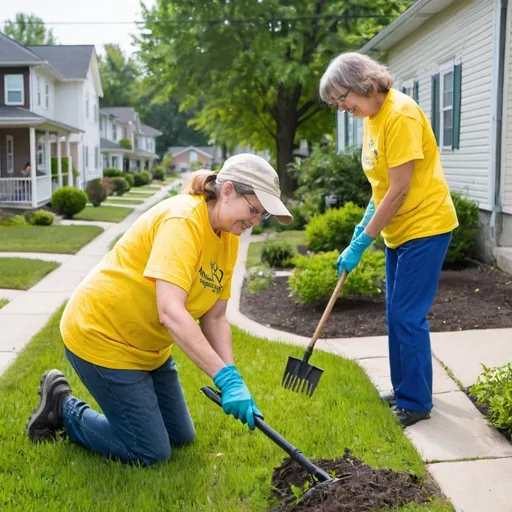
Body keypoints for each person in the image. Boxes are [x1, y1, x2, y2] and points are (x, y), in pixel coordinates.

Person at [26, 154, 293, 465]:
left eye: (261, 215)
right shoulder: (183, 222)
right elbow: (170, 312)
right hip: (102, 335)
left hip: (148, 347)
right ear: (229, 190)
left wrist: (233, 377)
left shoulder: (228, 237)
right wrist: (224, 379)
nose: (255, 221)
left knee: (181, 437)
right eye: (253, 210)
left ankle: (100, 410)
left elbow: (216, 317)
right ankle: (63, 408)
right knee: (150, 452)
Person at [319, 52, 458, 427]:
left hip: (425, 225)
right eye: (336, 102)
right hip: (398, 230)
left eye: (341, 97)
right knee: (394, 313)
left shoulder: (400, 114)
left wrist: (364, 241)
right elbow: (380, 188)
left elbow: (398, 191)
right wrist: (359, 233)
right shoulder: (371, 116)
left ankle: (416, 402)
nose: (342, 106)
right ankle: (404, 389)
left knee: (406, 315)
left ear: (361, 82)